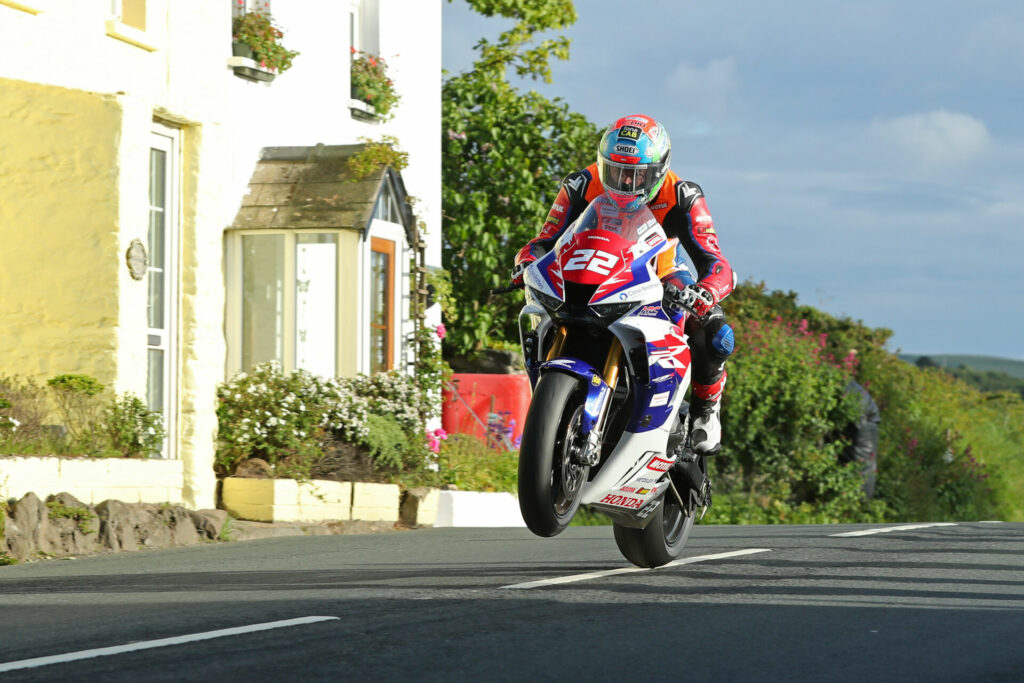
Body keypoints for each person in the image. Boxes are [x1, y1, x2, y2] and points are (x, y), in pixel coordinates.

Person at [512, 114, 737, 455]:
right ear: (603, 164)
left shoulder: (683, 195)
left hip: (661, 273)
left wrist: (706, 291)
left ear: (659, 169)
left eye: (637, 175)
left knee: (714, 329)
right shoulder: (580, 184)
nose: (625, 183)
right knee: (539, 304)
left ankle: (707, 410)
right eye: (616, 171)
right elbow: (544, 240)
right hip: (589, 267)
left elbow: (717, 262)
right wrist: (526, 263)